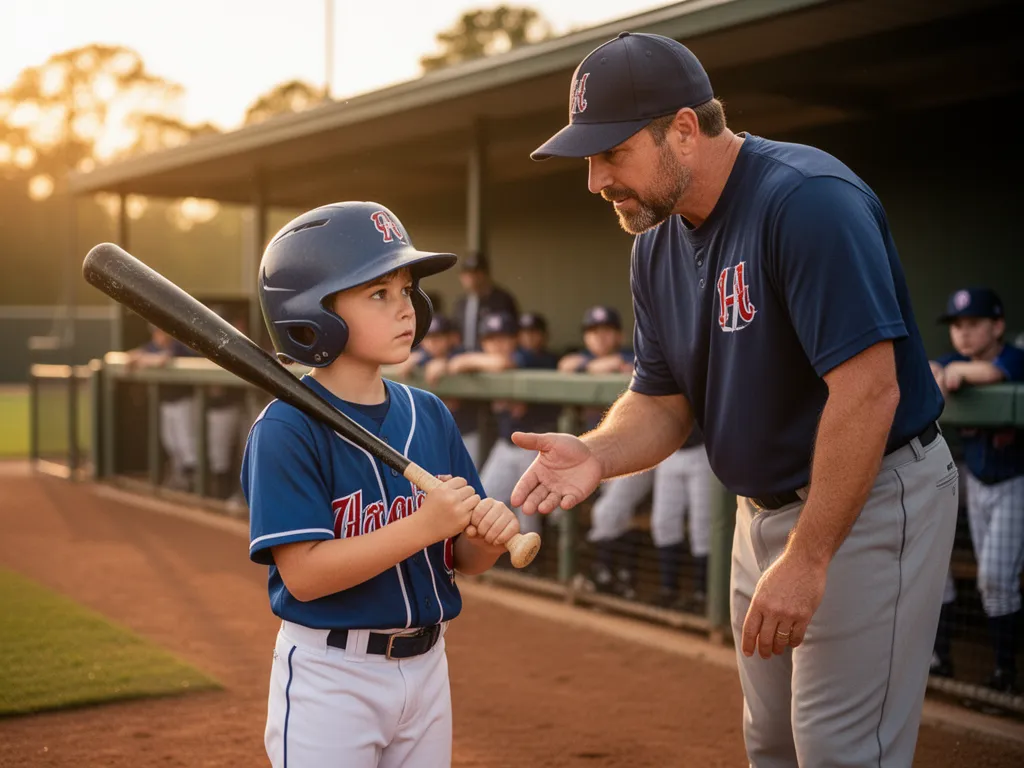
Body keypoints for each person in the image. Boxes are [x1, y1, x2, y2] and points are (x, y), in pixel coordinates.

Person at [516, 31, 956, 766]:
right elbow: (660, 402)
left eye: (612, 154)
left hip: (867, 499)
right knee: (773, 745)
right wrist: (596, 452)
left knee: (842, 752)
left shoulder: (807, 201)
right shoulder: (653, 243)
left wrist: (811, 556)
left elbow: (869, 390)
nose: (595, 181)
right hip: (761, 515)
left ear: (683, 130)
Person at [241, 202, 520, 767]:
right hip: (332, 678)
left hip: (428, 667)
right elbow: (306, 577)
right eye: (378, 293)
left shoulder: (430, 412)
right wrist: (423, 525)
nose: (406, 309)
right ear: (313, 313)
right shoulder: (285, 428)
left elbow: (463, 557)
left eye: (406, 289)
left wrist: (485, 537)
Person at [931, 287, 1024, 694]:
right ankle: (941, 659)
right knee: (936, 566)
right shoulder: (953, 361)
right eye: (956, 326)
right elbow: (931, 366)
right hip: (977, 483)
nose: (963, 333)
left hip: (1014, 485)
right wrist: (940, 369)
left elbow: (992, 373)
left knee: (995, 579)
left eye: (974, 324)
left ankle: (1006, 672)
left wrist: (957, 374)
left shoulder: (1015, 358)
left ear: (998, 326)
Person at [434, 311, 559, 538]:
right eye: (491, 339)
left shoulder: (528, 357)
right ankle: (501, 554)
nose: (498, 345)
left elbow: (502, 363)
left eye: (504, 337)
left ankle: (533, 561)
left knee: (528, 511)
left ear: (516, 339)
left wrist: (462, 361)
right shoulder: (483, 364)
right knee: (486, 497)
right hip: (506, 443)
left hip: (536, 446)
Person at [128, 324, 199, 491]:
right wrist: (140, 357)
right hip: (168, 403)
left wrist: (143, 360)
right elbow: (132, 355)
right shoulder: (152, 347)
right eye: (157, 332)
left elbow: (163, 359)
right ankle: (181, 479)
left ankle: (196, 484)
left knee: (187, 445)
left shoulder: (179, 346)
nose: (160, 335)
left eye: (162, 331)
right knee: (171, 442)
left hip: (185, 402)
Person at [451, 251, 519, 351]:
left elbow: (513, 334)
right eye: (466, 273)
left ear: (485, 273)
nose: (470, 277)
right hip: (464, 358)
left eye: (475, 272)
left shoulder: (502, 299)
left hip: (493, 358)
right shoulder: (460, 303)